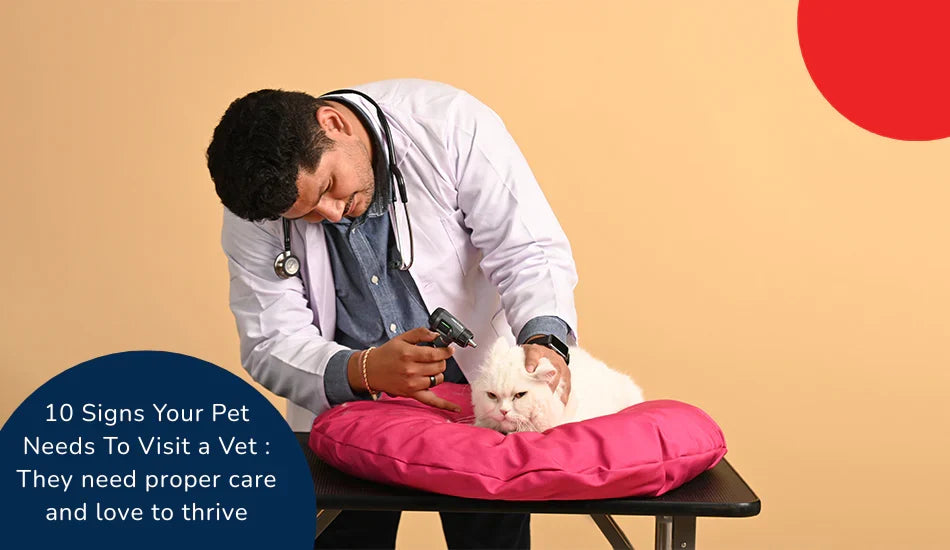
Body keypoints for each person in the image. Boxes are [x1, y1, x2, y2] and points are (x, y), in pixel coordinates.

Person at [206, 79, 578, 549]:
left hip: (479, 401)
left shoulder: (449, 125)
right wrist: (364, 370)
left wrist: (545, 339)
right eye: (308, 215)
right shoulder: (258, 207)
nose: (333, 213)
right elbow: (268, 338)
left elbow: (527, 249)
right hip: (350, 411)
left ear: (333, 123)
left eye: (329, 187)